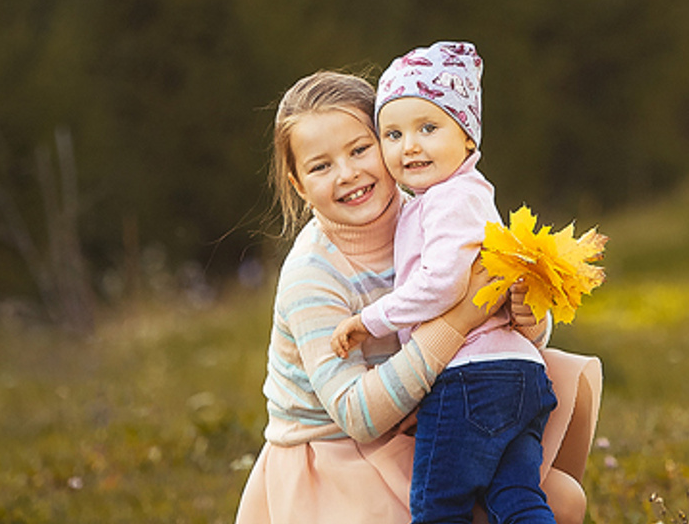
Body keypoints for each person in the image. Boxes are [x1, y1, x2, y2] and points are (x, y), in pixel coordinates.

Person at [234, 68, 601, 524]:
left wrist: (524, 315)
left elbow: (494, 327)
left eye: (361, 149)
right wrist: (459, 320)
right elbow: (357, 415)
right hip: (336, 457)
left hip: (429, 412)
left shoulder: (435, 212)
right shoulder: (312, 275)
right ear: (298, 184)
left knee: (563, 499)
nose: (348, 174)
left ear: (389, 144)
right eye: (321, 165)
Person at [328, 42, 559, 524]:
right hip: (519, 373)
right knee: (516, 499)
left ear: (468, 139)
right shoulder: (462, 196)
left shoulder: (451, 199)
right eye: (392, 134)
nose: (409, 145)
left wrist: (371, 319)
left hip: (469, 380)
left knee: (438, 507)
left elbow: (445, 284)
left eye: (428, 128)